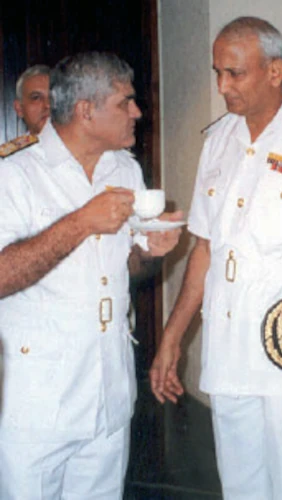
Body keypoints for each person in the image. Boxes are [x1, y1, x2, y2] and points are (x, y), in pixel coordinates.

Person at [150, 16, 282, 500]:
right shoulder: (219, 140)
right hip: (228, 352)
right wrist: (171, 338)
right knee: (240, 489)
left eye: (235, 73)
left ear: (275, 72)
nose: (222, 85)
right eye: (218, 71)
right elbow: (204, 250)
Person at [0, 51, 182, 500]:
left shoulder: (125, 168)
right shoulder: (14, 174)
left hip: (108, 392)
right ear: (86, 110)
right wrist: (82, 221)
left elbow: (127, 267)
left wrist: (151, 253)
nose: (138, 111)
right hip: (38, 401)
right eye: (126, 101)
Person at [13, 64, 50, 135]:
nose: (48, 105)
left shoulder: (76, 145)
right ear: (19, 109)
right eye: (36, 98)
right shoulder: (20, 146)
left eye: (53, 97)